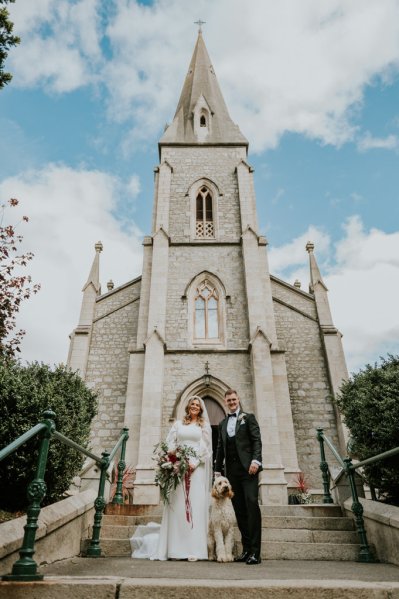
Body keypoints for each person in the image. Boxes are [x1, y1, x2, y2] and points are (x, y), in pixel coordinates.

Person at [131, 395, 212, 561]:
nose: (195, 407)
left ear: (200, 408)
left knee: (195, 506)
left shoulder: (203, 426)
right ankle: (176, 549)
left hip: (196, 471)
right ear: (188, 407)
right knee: (178, 506)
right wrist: (177, 459)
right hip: (178, 469)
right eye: (192, 404)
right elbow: (170, 443)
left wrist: (194, 463)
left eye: (197, 405)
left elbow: (206, 448)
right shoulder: (178, 424)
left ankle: (195, 550)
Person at [214, 389, 262, 565]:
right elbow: (220, 448)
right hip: (232, 473)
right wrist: (217, 471)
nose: (232, 402)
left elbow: (257, 440)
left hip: (249, 470)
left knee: (251, 505)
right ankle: (247, 549)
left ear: (238, 399)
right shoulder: (222, 423)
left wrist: (256, 461)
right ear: (225, 402)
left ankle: (256, 552)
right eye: (229, 400)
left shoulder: (248, 418)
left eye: (234, 399)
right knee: (240, 511)